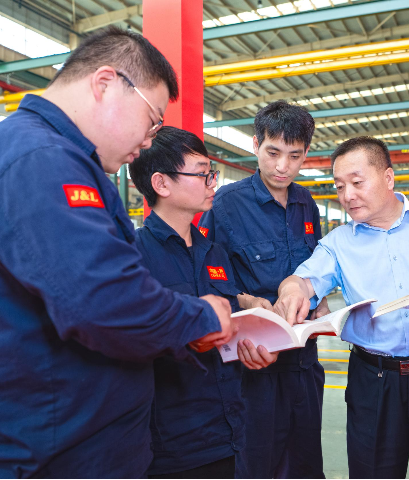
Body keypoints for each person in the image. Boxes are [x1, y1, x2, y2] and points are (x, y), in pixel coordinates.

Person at [0, 28, 235, 479]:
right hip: (53, 456)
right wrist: (201, 318)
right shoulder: (42, 159)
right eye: (152, 119)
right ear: (105, 83)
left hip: (56, 442)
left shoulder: (33, 151)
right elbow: (103, 300)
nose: (149, 140)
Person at [275, 137, 409, 479]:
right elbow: (304, 280)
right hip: (372, 383)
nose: (347, 195)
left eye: (357, 183)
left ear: (388, 178)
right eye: (339, 186)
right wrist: (291, 290)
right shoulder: (338, 243)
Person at [130, 127, 278, 479]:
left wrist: (253, 347)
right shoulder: (133, 256)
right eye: (202, 174)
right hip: (171, 447)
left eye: (212, 173)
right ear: (161, 184)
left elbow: (227, 332)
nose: (213, 182)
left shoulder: (215, 253)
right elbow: (132, 341)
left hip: (229, 433)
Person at [199, 101, 329, 479]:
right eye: (273, 153)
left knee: (306, 465)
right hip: (253, 368)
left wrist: (319, 301)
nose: (282, 166)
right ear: (256, 144)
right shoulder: (225, 205)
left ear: (306, 153)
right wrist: (244, 299)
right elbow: (207, 279)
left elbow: (315, 269)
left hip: (304, 364)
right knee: (255, 465)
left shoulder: (306, 204)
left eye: (294, 156)